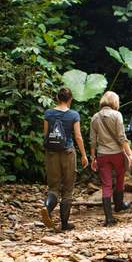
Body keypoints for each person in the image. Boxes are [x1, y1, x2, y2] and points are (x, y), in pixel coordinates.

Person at [41, 88, 89, 231]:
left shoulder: (48, 113)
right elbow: (78, 136)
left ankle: (46, 208)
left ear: (57, 97)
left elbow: (46, 135)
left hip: (51, 152)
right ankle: (64, 223)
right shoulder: (74, 115)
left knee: (53, 187)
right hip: (68, 152)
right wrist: (84, 155)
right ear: (70, 99)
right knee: (68, 189)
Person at [90, 91, 132, 226]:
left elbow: (92, 140)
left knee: (106, 185)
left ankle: (109, 218)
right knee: (120, 178)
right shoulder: (117, 115)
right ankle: (119, 205)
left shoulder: (95, 117)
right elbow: (122, 137)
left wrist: (93, 157)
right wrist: (130, 154)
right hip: (117, 153)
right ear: (114, 102)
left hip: (102, 155)